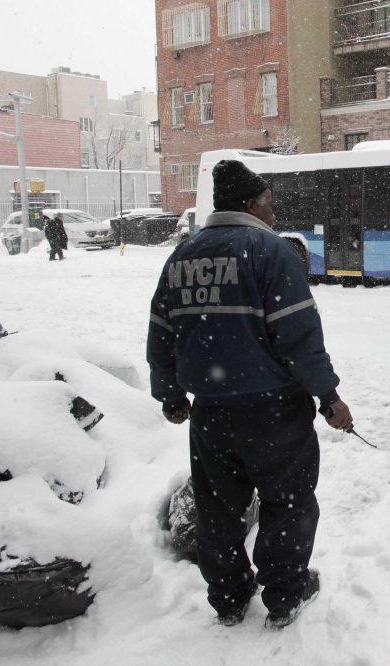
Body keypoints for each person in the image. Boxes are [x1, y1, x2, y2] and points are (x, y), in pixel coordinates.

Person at [146, 159, 353, 630]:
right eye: (268, 204)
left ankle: (229, 598)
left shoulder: (182, 257)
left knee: (218, 509)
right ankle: (285, 594)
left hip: (212, 415)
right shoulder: (269, 251)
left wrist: (171, 395)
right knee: (288, 501)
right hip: (275, 411)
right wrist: (328, 397)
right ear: (250, 204)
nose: (273, 214)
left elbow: (161, 333)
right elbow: (299, 338)